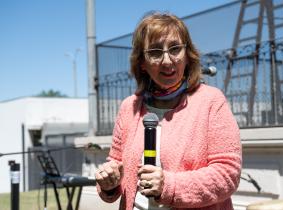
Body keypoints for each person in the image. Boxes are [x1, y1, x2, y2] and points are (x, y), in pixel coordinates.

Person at [95, 12, 242, 210]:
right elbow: (118, 168)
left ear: (188, 55)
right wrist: (110, 183)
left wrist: (168, 186)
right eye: (155, 52)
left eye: (175, 49)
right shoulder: (129, 107)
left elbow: (227, 174)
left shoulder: (211, 101)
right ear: (142, 63)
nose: (167, 60)